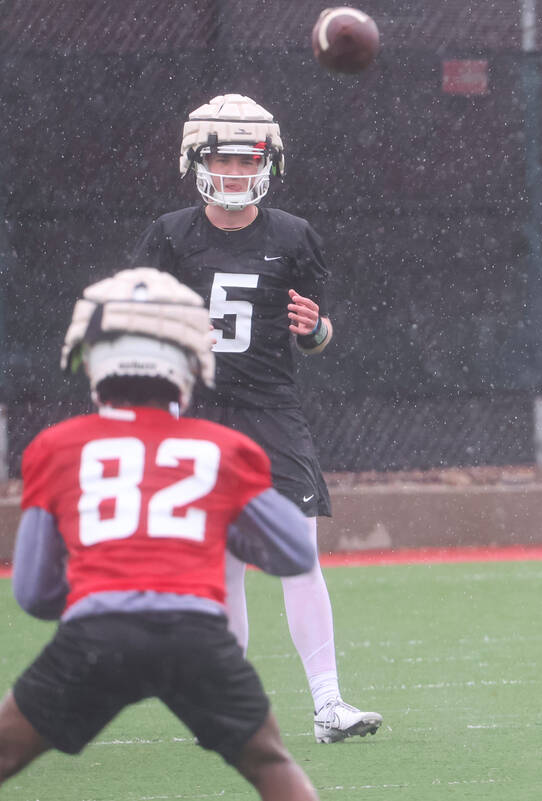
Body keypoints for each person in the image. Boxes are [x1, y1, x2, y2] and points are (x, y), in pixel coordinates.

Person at [0, 268, 320, 799]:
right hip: (195, 635)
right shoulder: (222, 447)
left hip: (95, 637)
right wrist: (227, 524)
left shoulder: (55, 447)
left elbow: (35, 593)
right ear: (193, 360)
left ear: (90, 355)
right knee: (270, 764)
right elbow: (291, 553)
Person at [128, 94, 381, 743]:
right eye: (224, 159)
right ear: (198, 161)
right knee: (225, 565)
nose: (237, 173)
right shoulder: (170, 234)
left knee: (299, 555)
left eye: (249, 160)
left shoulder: (294, 236)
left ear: (268, 163)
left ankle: (329, 704)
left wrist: (318, 328)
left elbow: (315, 337)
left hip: (271, 411)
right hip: (199, 412)